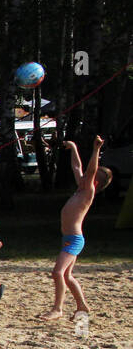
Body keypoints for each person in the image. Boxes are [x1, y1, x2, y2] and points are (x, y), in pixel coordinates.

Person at [40, 135, 112, 321]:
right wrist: (73, 148)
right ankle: (82, 306)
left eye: (90, 177)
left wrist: (96, 149)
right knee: (67, 276)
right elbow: (77, 167)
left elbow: (90, 169)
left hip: (74, 240)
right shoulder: (81, 188)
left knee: (57, 273)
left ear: (95, 182)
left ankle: (58, 309)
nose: (85, 176)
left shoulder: (88, 191)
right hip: (69, 239)